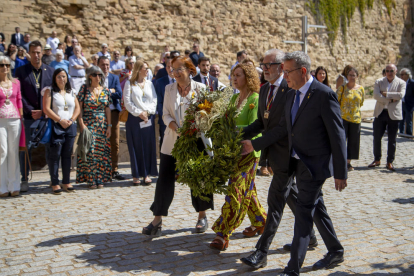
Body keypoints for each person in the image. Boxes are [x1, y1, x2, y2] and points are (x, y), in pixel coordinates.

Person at [242, 51, 348, 275]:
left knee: (303, 211)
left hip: (314, 165)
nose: (284, 74)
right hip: (292, 161)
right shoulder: (290, 94)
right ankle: (335, 250)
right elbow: (282, 128)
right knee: (314, 205)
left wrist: (341, 172)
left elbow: (338, 136)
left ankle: (292, 268)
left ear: (302, 71)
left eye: (287, 70)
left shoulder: (324, 95)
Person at [240, 49, 318, 269]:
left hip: (288, 156)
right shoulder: (265, 90)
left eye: (268, 65)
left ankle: (261, 252)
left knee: (275, 203)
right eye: (262, 65)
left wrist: (254, 145)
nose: (263, 69)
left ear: (281, 66)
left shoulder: (290, 90)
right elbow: (261, 124)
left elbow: (284, 128)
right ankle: (311, 235)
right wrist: (237, 134)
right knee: (294, 197)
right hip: (274, 156)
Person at [142, 56, 214, 236]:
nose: (175, 73)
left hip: (196, 140)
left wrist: (193, 127)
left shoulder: (201, 89)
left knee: (198, 179)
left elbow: (207, 114)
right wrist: (176, 127)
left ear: (190, 69)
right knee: (164, 179)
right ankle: (157, 219)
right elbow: (165, 114)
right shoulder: (169, 88)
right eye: (172, 70)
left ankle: (202, 216)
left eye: (178, 69)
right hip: (172, 141)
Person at [210, 63, 266, 250]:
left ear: (248, 78)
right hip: (234, 151)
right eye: (233, 75)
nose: (234, 78)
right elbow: (225, 122)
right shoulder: (233, 98)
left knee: (235, 190)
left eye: (238, 75)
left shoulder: (256, 99)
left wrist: (231, 131)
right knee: (247, 189)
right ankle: (261, 221)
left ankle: (222, 233)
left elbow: (254, 125)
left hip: (249, 152)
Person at [15, 40, 54, 192]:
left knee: (50, 147)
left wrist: (44, 111)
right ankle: (24, 179)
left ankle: (53, 177)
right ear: (29, 54)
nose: (36, 55)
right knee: (26, 148)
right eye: (33, 52)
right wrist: (31, 110)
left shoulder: (50, 71)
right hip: (29, 116)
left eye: (39, 52)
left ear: (42, 53)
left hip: (46, 116)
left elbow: (53, 94)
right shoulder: (21, 71)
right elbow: (20, 94)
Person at [41, 68, 80, 194]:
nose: (61, 79)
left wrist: (72, 119)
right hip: (56, 126)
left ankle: (66, 181)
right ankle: (55, 182)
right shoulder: (49, 91)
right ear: (54, 78)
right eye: (59, 76)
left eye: (63, 76)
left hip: (70, 125)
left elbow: (77, 108)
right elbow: (46, 109)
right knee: (55, 155)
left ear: (67, 78)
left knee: (67, 155)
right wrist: (60, 120)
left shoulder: (71, 92)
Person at [76, 66, 112, 188]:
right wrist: (81, 124)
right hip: (88, 123)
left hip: (102, 124)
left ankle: (100, 178)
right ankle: (91, 178)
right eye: (96, 74)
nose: (98, 77)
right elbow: (79, 108)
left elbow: (107, 109)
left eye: (100, 75)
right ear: (90, 76)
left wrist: (109, 126)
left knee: (101, 153)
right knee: (90, 151)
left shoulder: (105, 90)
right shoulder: (84, 89)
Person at [123, 59, 158, 185]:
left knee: (148, 145)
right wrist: (140, 113)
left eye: (148, 68)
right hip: (135, 118)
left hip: (148, 118)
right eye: (145, 68)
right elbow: (127, 102)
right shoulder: (129, 83)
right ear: (138, 69)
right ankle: (136, 174)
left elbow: (154, 100)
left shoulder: (149, 83)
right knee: (136, 146)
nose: (147, 71)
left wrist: (147, 112)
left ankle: (147, 174)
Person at [369, 64, 406, 171]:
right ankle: (377, 159)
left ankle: (389, 161)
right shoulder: (379, 81)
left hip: (394, 114)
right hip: (380, 113)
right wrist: (390, 98)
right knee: (376, 137)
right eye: (387, 70)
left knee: (392, 139)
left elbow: (400, 95)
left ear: (396, 71)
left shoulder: (401, 82)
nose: (389, 72)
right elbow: (376, 95)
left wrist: (385, 94)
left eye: (391, 70)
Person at [98, 56, 125, 181]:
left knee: (114, 141)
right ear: (98, 65)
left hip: (113, 112)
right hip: (99, 113)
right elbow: (93, 93)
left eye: (107, 65)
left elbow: (119, 94)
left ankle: (114, 169)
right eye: (103, 65)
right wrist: (109, 91)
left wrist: (105, 91)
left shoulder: (114, 77)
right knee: (100, 142)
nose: (105, 67)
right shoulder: (95, 78)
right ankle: (102, 169)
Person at [0, 56, 23, 197]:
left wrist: (22, 118)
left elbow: (19, 100)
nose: (5, 67)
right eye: (2, 65)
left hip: (15, 120)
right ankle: (2, 186)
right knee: (2, 151)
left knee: (14, 152)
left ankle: (14, 185)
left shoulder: (16, 83)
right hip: (0, 120)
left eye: (7, 65)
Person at [337, 67, 365, 171]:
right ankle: (341, 161)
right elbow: (337, 101)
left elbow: (361, 102)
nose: (352, 77)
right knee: (341, 141)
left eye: (354, 75)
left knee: (353, 142)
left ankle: (348, 162)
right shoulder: (342, 88)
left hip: (356, 118)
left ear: (357, 76)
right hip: (343, 118)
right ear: (347, 76)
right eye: (350, 75)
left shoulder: (361, 89)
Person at [154, 58, 174, 152]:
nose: (171, 69)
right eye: (169, 67)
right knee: (165, 145)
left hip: (179, 120)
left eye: (172, 66)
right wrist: (166, 117)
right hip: (164, 120)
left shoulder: (182, 81)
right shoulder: (160, 82)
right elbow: (159, 102)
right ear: (166, 68)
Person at [399, 68, 414, 135]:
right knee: (401, 120)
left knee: (408, 120)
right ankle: (401, 133)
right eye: (400, 75)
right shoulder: (400, 83)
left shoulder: (412, 83)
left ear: (407, 75)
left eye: (402, 74)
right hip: (401, 104)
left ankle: (408, 134)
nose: (401, 76)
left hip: (409, 105)